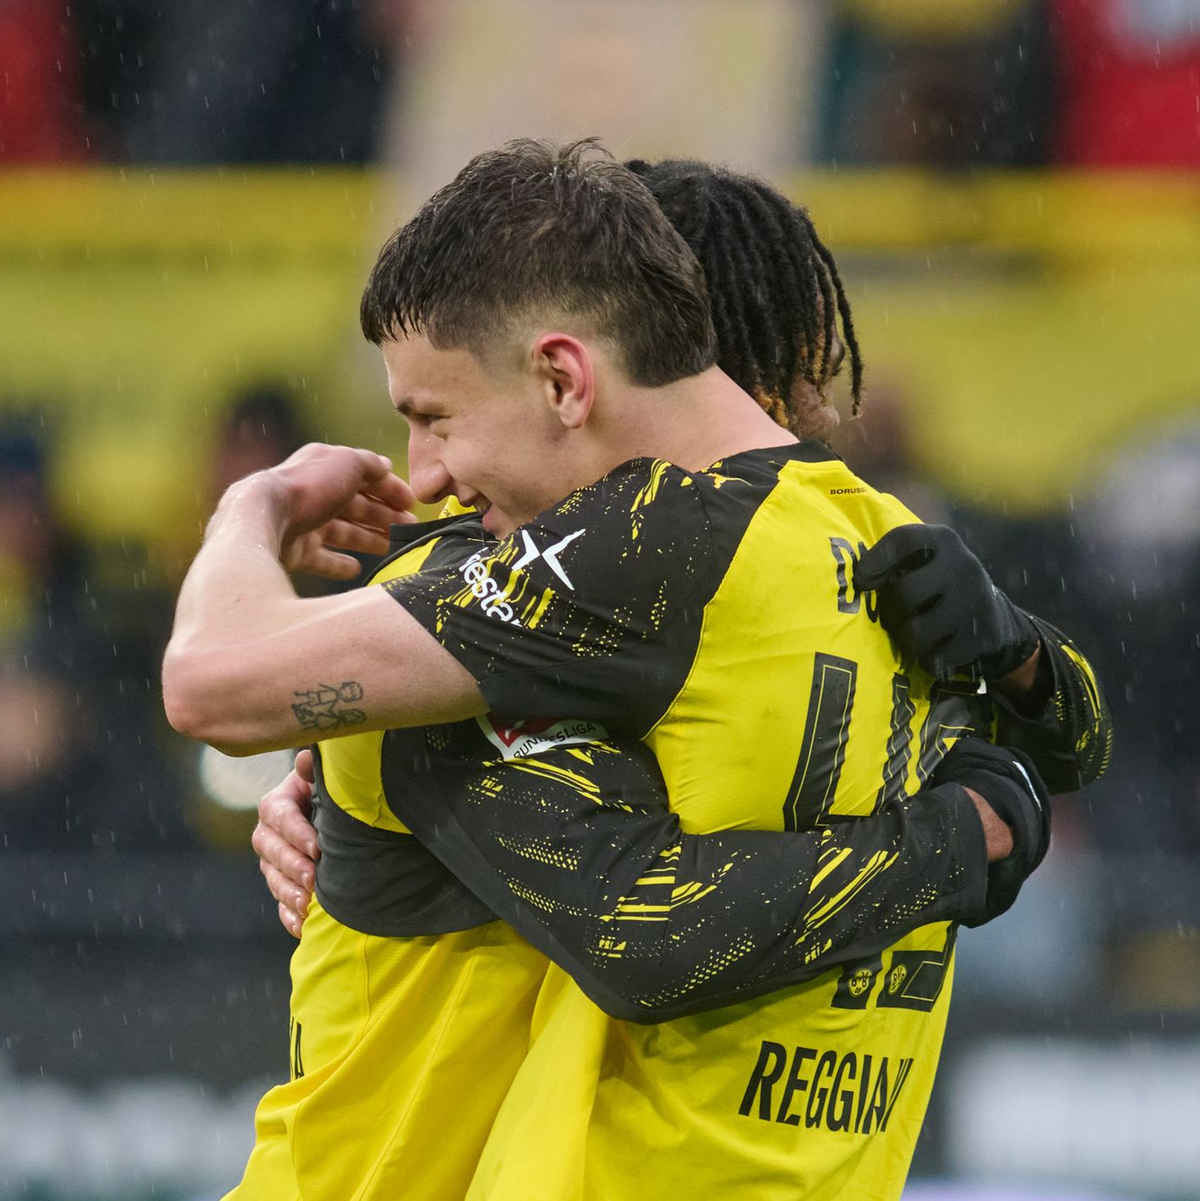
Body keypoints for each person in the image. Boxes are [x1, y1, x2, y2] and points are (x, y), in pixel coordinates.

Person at [163, 143, 1108, 1198]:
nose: (424, 475)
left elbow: (647, 928)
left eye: (435, 417)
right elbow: (647, 931)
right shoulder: (840, 543)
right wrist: (973, 821)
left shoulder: (740, 560)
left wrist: (253, 511)